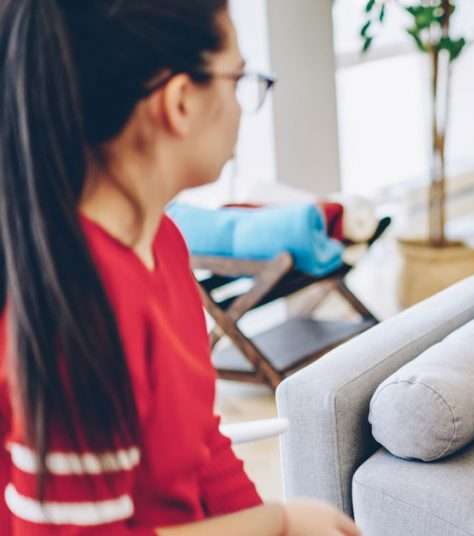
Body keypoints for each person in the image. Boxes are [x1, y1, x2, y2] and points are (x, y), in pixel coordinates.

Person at [0, 1, 359, 534]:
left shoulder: (163, 245)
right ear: (181, 101)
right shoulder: (78, 304)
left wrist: (277, 525)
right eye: (238, 79)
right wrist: (279, 524)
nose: (242, 103)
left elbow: (202, 449)